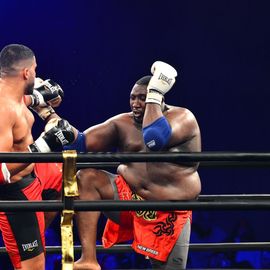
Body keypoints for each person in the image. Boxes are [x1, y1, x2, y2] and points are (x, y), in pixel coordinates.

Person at [65, 61, 201, 269]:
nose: (136, 103)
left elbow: (154, 139)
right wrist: (50, 116)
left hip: (168, 211)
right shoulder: (123, 123)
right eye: (133, 97)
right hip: (130, 201)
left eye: (143, 98)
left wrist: (154, 93)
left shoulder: (182, 117)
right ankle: (89, 260)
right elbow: (82, 142)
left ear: (159, 98)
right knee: (87, 176)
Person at [0, 44, 75, 270]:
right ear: (26, 73)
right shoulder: (3, 109)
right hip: (14, 193)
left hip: (32, 177)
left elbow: (36, 99)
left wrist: (44, 99)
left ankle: (38, 229)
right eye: (34, 69)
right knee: (33, 266)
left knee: (67, 179)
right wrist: (44, 144)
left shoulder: (16, 96)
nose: (36, 74)